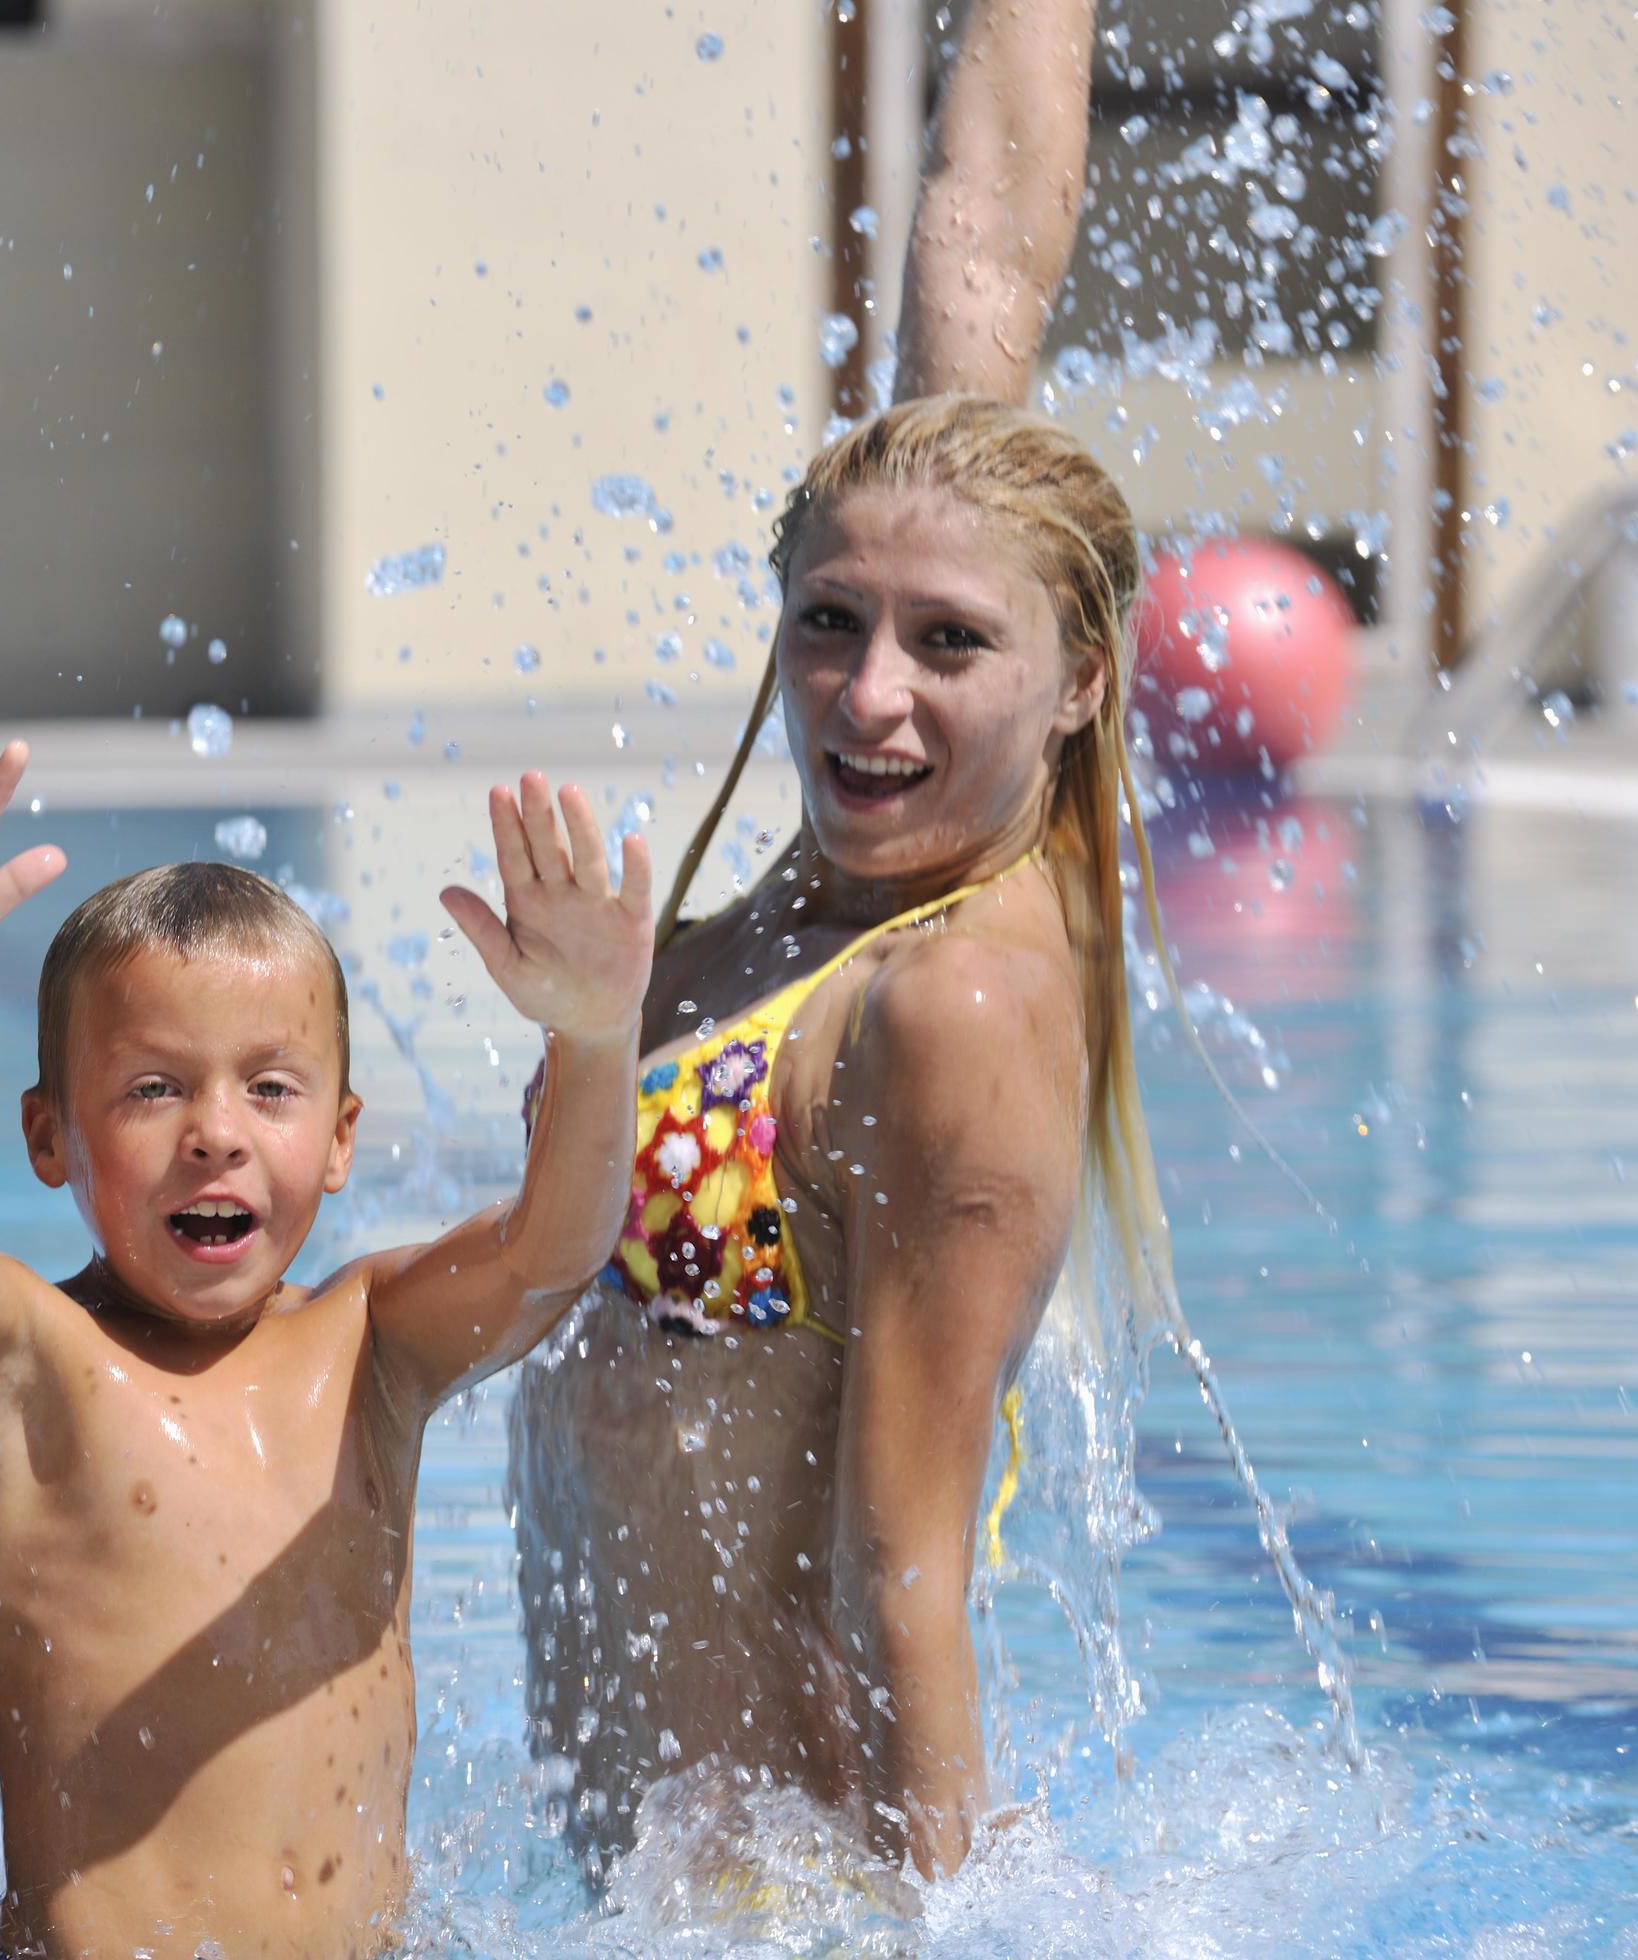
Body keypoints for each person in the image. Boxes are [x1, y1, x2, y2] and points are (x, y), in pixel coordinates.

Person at [506, 0, 1149, 1896]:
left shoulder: (949, 994)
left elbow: (908, 1572)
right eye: (827, 622)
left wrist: (945, 1937)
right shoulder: (844, 889)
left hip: (781, 1916)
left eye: (949, 644)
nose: (870, 695)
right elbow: (980, 242)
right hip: (641, 1897)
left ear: (1081, 679)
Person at [0, 725, 653, 1958]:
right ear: (47, 1138)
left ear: (343, 1138)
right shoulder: (27, 1361)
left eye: (272, 1088)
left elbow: (551, 1252)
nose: (216, 1133)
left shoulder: (369, 1347)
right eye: (153, 1088)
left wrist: (596, 1036)